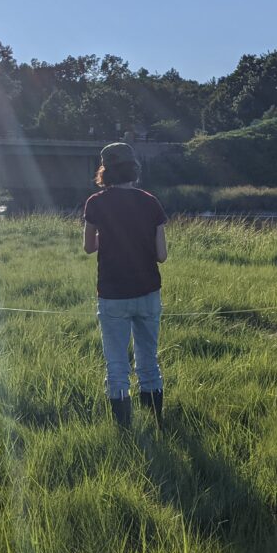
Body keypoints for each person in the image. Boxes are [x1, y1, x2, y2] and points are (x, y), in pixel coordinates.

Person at [82, 142, 168, 429]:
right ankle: (157, 422)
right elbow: (162, 256)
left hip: (112, 293)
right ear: (134, 167)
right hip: (147, 291)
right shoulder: (150, 201)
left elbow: (88, 247)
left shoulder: (95, 203)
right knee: (149, 361)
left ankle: (123, 429)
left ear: (105, 170)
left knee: (116, 364)